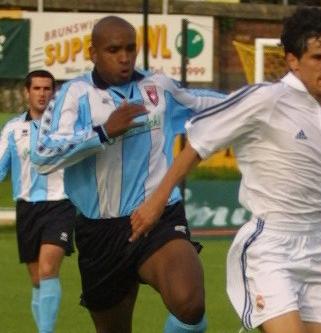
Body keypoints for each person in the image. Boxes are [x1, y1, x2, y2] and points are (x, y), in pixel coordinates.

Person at [130, 7, 321, 333]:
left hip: (315, 248)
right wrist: (157, 201)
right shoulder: (265, 99)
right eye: (318, 58)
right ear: (292, 61)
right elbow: (199, 145)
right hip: (270, 246)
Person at [31, 16, 225, 333]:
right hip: (101, 231)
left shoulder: (157, 87)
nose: (124, 57)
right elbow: (43, 155)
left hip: (158, 216)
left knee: (189, 302)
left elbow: (204, 102)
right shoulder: (73, 95)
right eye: (113, 50)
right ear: (93, 52)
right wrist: (103, 132)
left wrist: (260, 101)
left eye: (130, 49)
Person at [0, 70, 76, 333]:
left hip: (61, 205)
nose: (42, 94)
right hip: (27, 209)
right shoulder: (12, 129)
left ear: (54, 93)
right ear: (26, 92)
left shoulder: (67, 128)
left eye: (47, 89)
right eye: (37, 89)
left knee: (47, 270)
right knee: (37, 280)